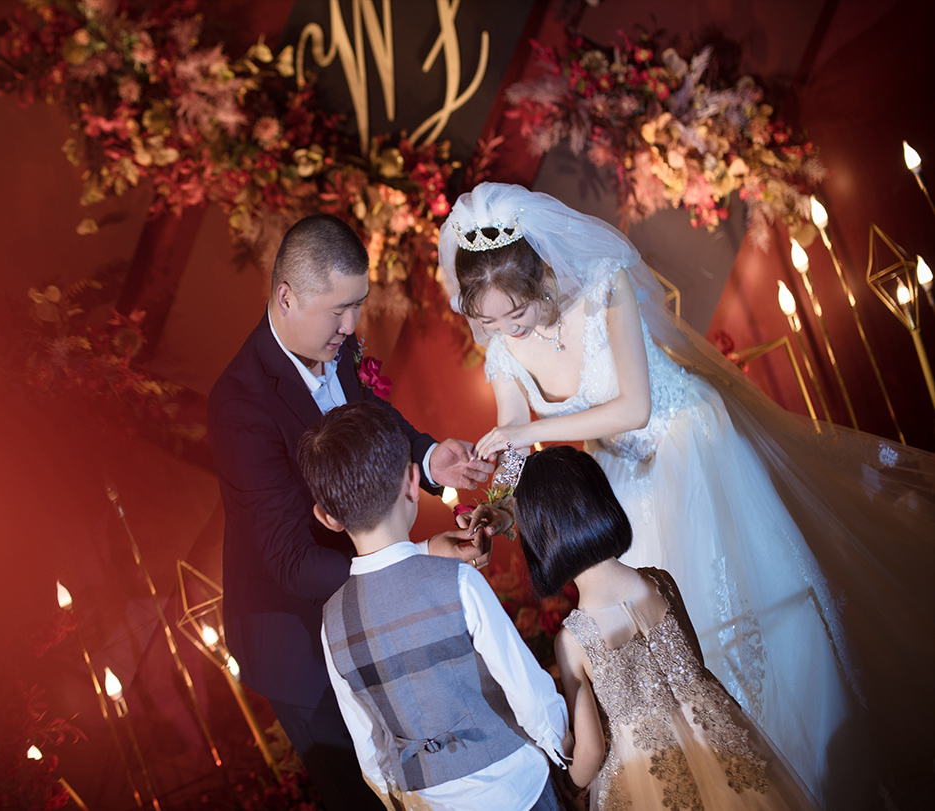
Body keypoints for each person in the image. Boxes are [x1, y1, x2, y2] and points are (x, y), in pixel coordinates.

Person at [438, 182, 935, 809]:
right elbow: (512, 441)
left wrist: (527, 433)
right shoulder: (504, 351)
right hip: (618, 479)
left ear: (538, 275)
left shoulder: (604, 284)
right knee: (671, 631)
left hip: (690, 446)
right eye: (489, 321)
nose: (505, 330)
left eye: (514, 314)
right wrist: (497, 507)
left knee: (745, 609)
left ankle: (817, 774)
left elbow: (635, 408)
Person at [207, 213, 495, 811]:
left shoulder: (334, 343)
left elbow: (370, 418)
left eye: (358, 305)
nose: (351, 326)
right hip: (299, 643)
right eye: (339, 310)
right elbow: (291, 560)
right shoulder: (239, 405)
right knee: (365, 796)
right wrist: (413, 561)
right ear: (286, 297)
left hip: (369, 606)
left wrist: (428, 456)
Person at [296, 401, 571, 811]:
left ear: (327, 517)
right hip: (516, 786)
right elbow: (529, 694)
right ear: (413, 481)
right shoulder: (457, 580)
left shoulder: (332, 621)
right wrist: (563, 754)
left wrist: (396, 797)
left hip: (428, 800)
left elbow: (367, 742)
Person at [514, 445, 820, 810]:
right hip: (720, 744)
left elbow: (591, 752)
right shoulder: (660, 582)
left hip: (647, 776)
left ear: (540, 537)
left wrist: (567, 784)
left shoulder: (572, 641)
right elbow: (696, 668)